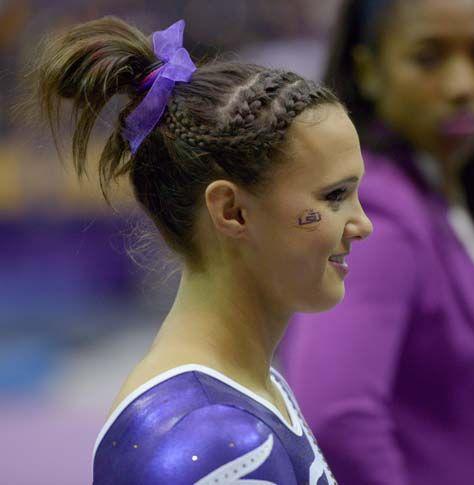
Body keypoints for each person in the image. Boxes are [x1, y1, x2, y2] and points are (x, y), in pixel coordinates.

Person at [30, 16, 372, 484]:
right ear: (231, 211)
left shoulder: (254, 388)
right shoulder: (215, 442)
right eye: (334, 196)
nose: (363, 225)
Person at [281, 0, 474, 483]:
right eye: (429, 58)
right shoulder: (378, 218)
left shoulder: (446, 198)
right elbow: (335, 420)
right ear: (369, 70)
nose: (463, 86)